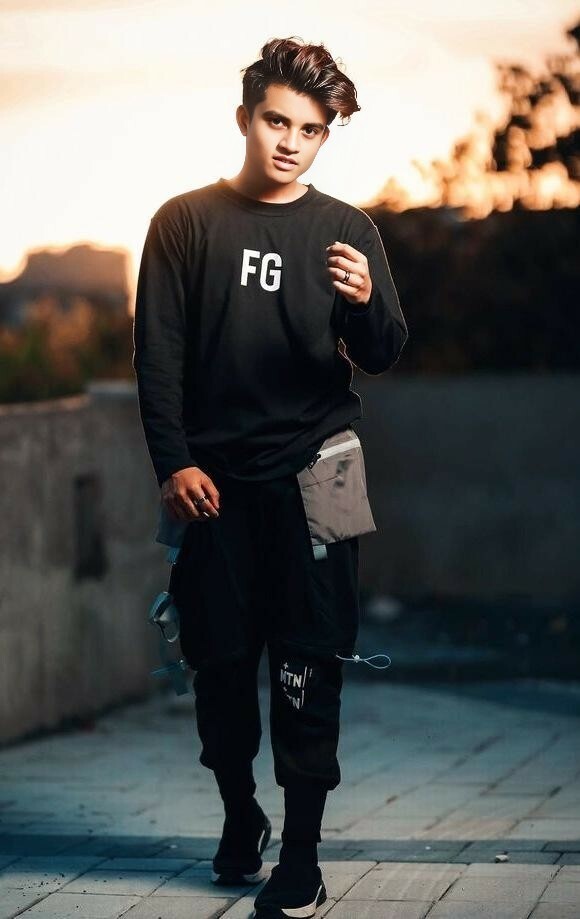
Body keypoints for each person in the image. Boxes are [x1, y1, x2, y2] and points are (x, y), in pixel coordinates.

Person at [132, 35, 408, 919]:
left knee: (310, 661)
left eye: (311, 130)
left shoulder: (348, 230)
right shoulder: (184, 223)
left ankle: (303, 855)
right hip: (213, 477)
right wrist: (174, 459)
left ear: (326, 136)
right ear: (245, 119)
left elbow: (385, 351)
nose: (291, 142)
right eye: (277, 122)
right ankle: (240, 811)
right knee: (218, 663)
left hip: (323, 467)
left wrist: (365, 302)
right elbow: (157, 356)